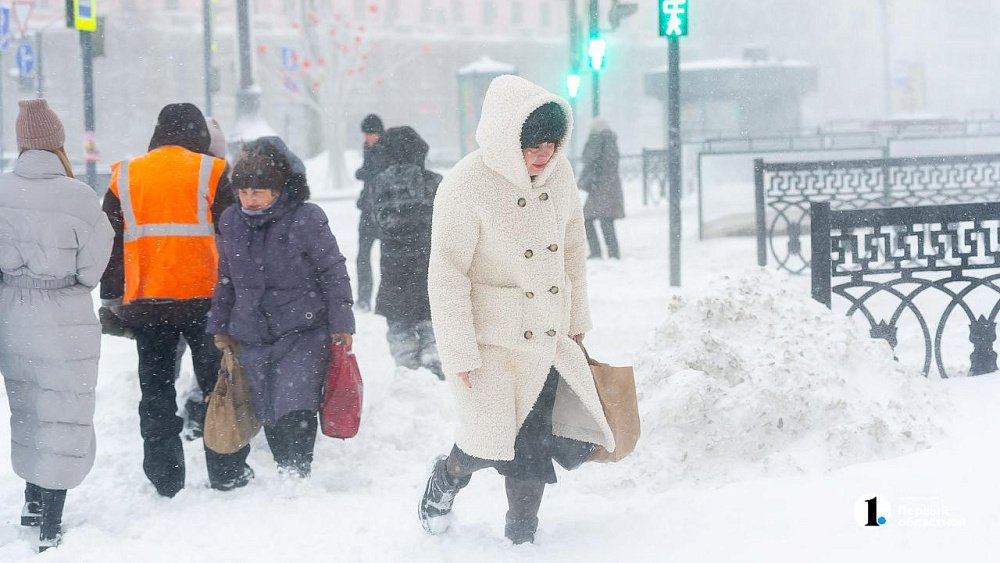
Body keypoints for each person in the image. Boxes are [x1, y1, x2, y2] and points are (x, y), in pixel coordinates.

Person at [418, 76, 616, 544]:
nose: (543, 154)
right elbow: (447, 275)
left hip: (545, 336)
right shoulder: (465, 185)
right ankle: (448, 475)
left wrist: (577, 324)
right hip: (490, 341)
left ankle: (521, 536)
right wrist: (460, 353)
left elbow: (572, 247)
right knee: (484, 443)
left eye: (551, 143)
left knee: (532, 446)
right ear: (507, 137)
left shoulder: (560, 174)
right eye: (532, 145)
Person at [98, 103, 249, 497]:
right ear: (199, 134)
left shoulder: (126, 175)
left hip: (147, 303)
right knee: (218, 386)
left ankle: (165, 477)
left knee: (156, 392)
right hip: (206, 301)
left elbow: (110, 245)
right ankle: (227, 470)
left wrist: (113, 299)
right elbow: (234, 238)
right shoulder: (212, 172)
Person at [0, 99, 114, 552]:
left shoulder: (2, 191)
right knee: (63, 411)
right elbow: (95, 265)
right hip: (64, 313)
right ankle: (51, 517)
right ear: (58, 144)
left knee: (27, 405)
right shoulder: (80, 196)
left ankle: (31, 501)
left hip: (12, 312)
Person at [209, 137, 355, 478]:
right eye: (244, 192)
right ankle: (284, 467)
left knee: (297, 399)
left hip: (302, 328)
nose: (250, 200)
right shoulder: (231, 221)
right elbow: (226, 277)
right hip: (252, 330)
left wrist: (342, 323)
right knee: (268, 404)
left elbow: (333, 271)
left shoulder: (306, 218)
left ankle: (297, 467)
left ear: (277, 190)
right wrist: (220, 326)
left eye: (258, 192)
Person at [370, 126, 443, 379]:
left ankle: (407, 369)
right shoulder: (434, 182)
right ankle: (433, 358)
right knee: (430, 316)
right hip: (429, 263)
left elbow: (378, 223)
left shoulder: (378, 184)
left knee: (399, 322)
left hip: (394, 267)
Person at [353, 113, 388, 312]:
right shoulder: (369, 148)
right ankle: (364, 299)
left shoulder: (384, 150)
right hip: (368, 209)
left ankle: (373, 300)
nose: (367, 138)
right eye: (365, 134)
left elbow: (374, 174)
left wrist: (363, 173)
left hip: (380, 211)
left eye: (370, 134)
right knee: (363, 257)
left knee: (379, 258)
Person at [578, 118, 624, 259]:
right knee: (605, 220)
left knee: (589, 219)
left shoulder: (598, 140)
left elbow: (588, 158)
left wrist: (590, 140)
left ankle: (599, 252)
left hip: (600, 187)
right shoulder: (610, 141)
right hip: (608, 186)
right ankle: (612, 252)